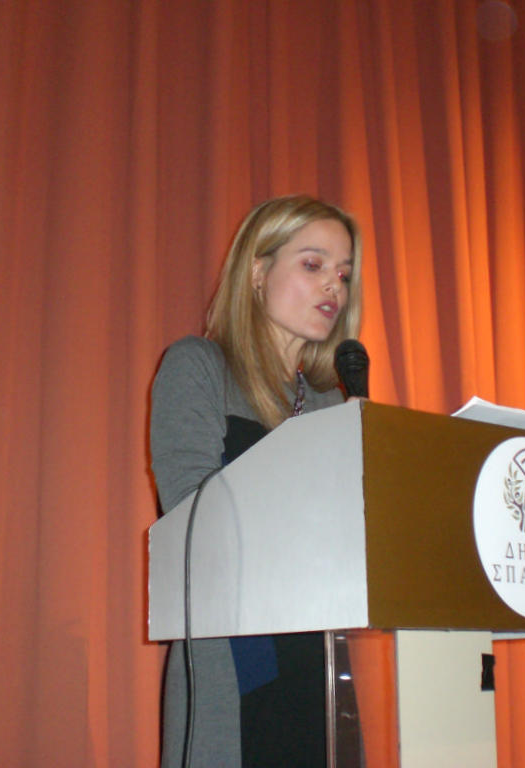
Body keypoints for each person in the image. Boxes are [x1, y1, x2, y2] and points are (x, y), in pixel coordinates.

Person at [150, 194, 364, 767]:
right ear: (257, 271)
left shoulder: (331, 402)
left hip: (320, 661)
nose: (334, 286)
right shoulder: (199, 368)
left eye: (343, 274)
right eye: (313, 265)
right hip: (237, 657)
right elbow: (193, 517)